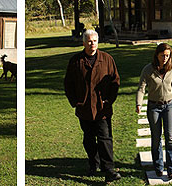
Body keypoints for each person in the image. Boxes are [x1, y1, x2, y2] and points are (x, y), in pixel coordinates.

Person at [64, 30, 121, 183]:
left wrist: (109, 100)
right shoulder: (76, 61)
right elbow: (68, 84)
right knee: (88, 139)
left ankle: (109, 169)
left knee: (105, 138)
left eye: (95, 40)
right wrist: (75, 101)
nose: (92, 43)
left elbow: (115, 82)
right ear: (84, 43)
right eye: (89, 41)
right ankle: (93, 163)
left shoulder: (107, 59)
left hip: (102, 108)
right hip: (84, 108)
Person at [136, 43, 172, 179]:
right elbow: (141, 88)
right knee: (156, 137)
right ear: (157, 55)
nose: (165, 58)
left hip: (169, 105)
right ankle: (158, 167)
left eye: (167, 55)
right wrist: (138, 104)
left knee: (170, 138)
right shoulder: (148, 70)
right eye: (162, 55)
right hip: (154, 107)